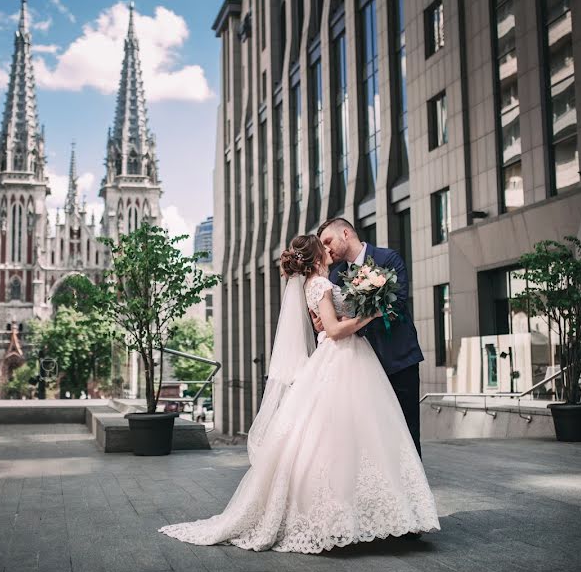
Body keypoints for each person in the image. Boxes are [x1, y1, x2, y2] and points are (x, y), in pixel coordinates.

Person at [158, 235, 439, 553]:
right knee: (343, 437)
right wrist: (370, 315)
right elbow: (333, 331)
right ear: (317, 255)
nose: (329, 248)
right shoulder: (319, 285)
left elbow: (327, 324)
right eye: (324, 245)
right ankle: (338, 515)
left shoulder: (322, 282)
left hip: (350, 359)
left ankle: (367, 515)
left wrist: (354, 311)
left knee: (354, 436)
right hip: (343, 358)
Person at [315, 218, 425, 457]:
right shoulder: (335, 277)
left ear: (345, 233)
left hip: (399, 359)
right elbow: (332, 321)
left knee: (407, 427)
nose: (326, 249)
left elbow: (398, 302)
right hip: (359, 367)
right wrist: (322, 323)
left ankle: (413, 488)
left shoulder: (389, 258)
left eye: (328, 241)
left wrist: (352, 323)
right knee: (368, 432)